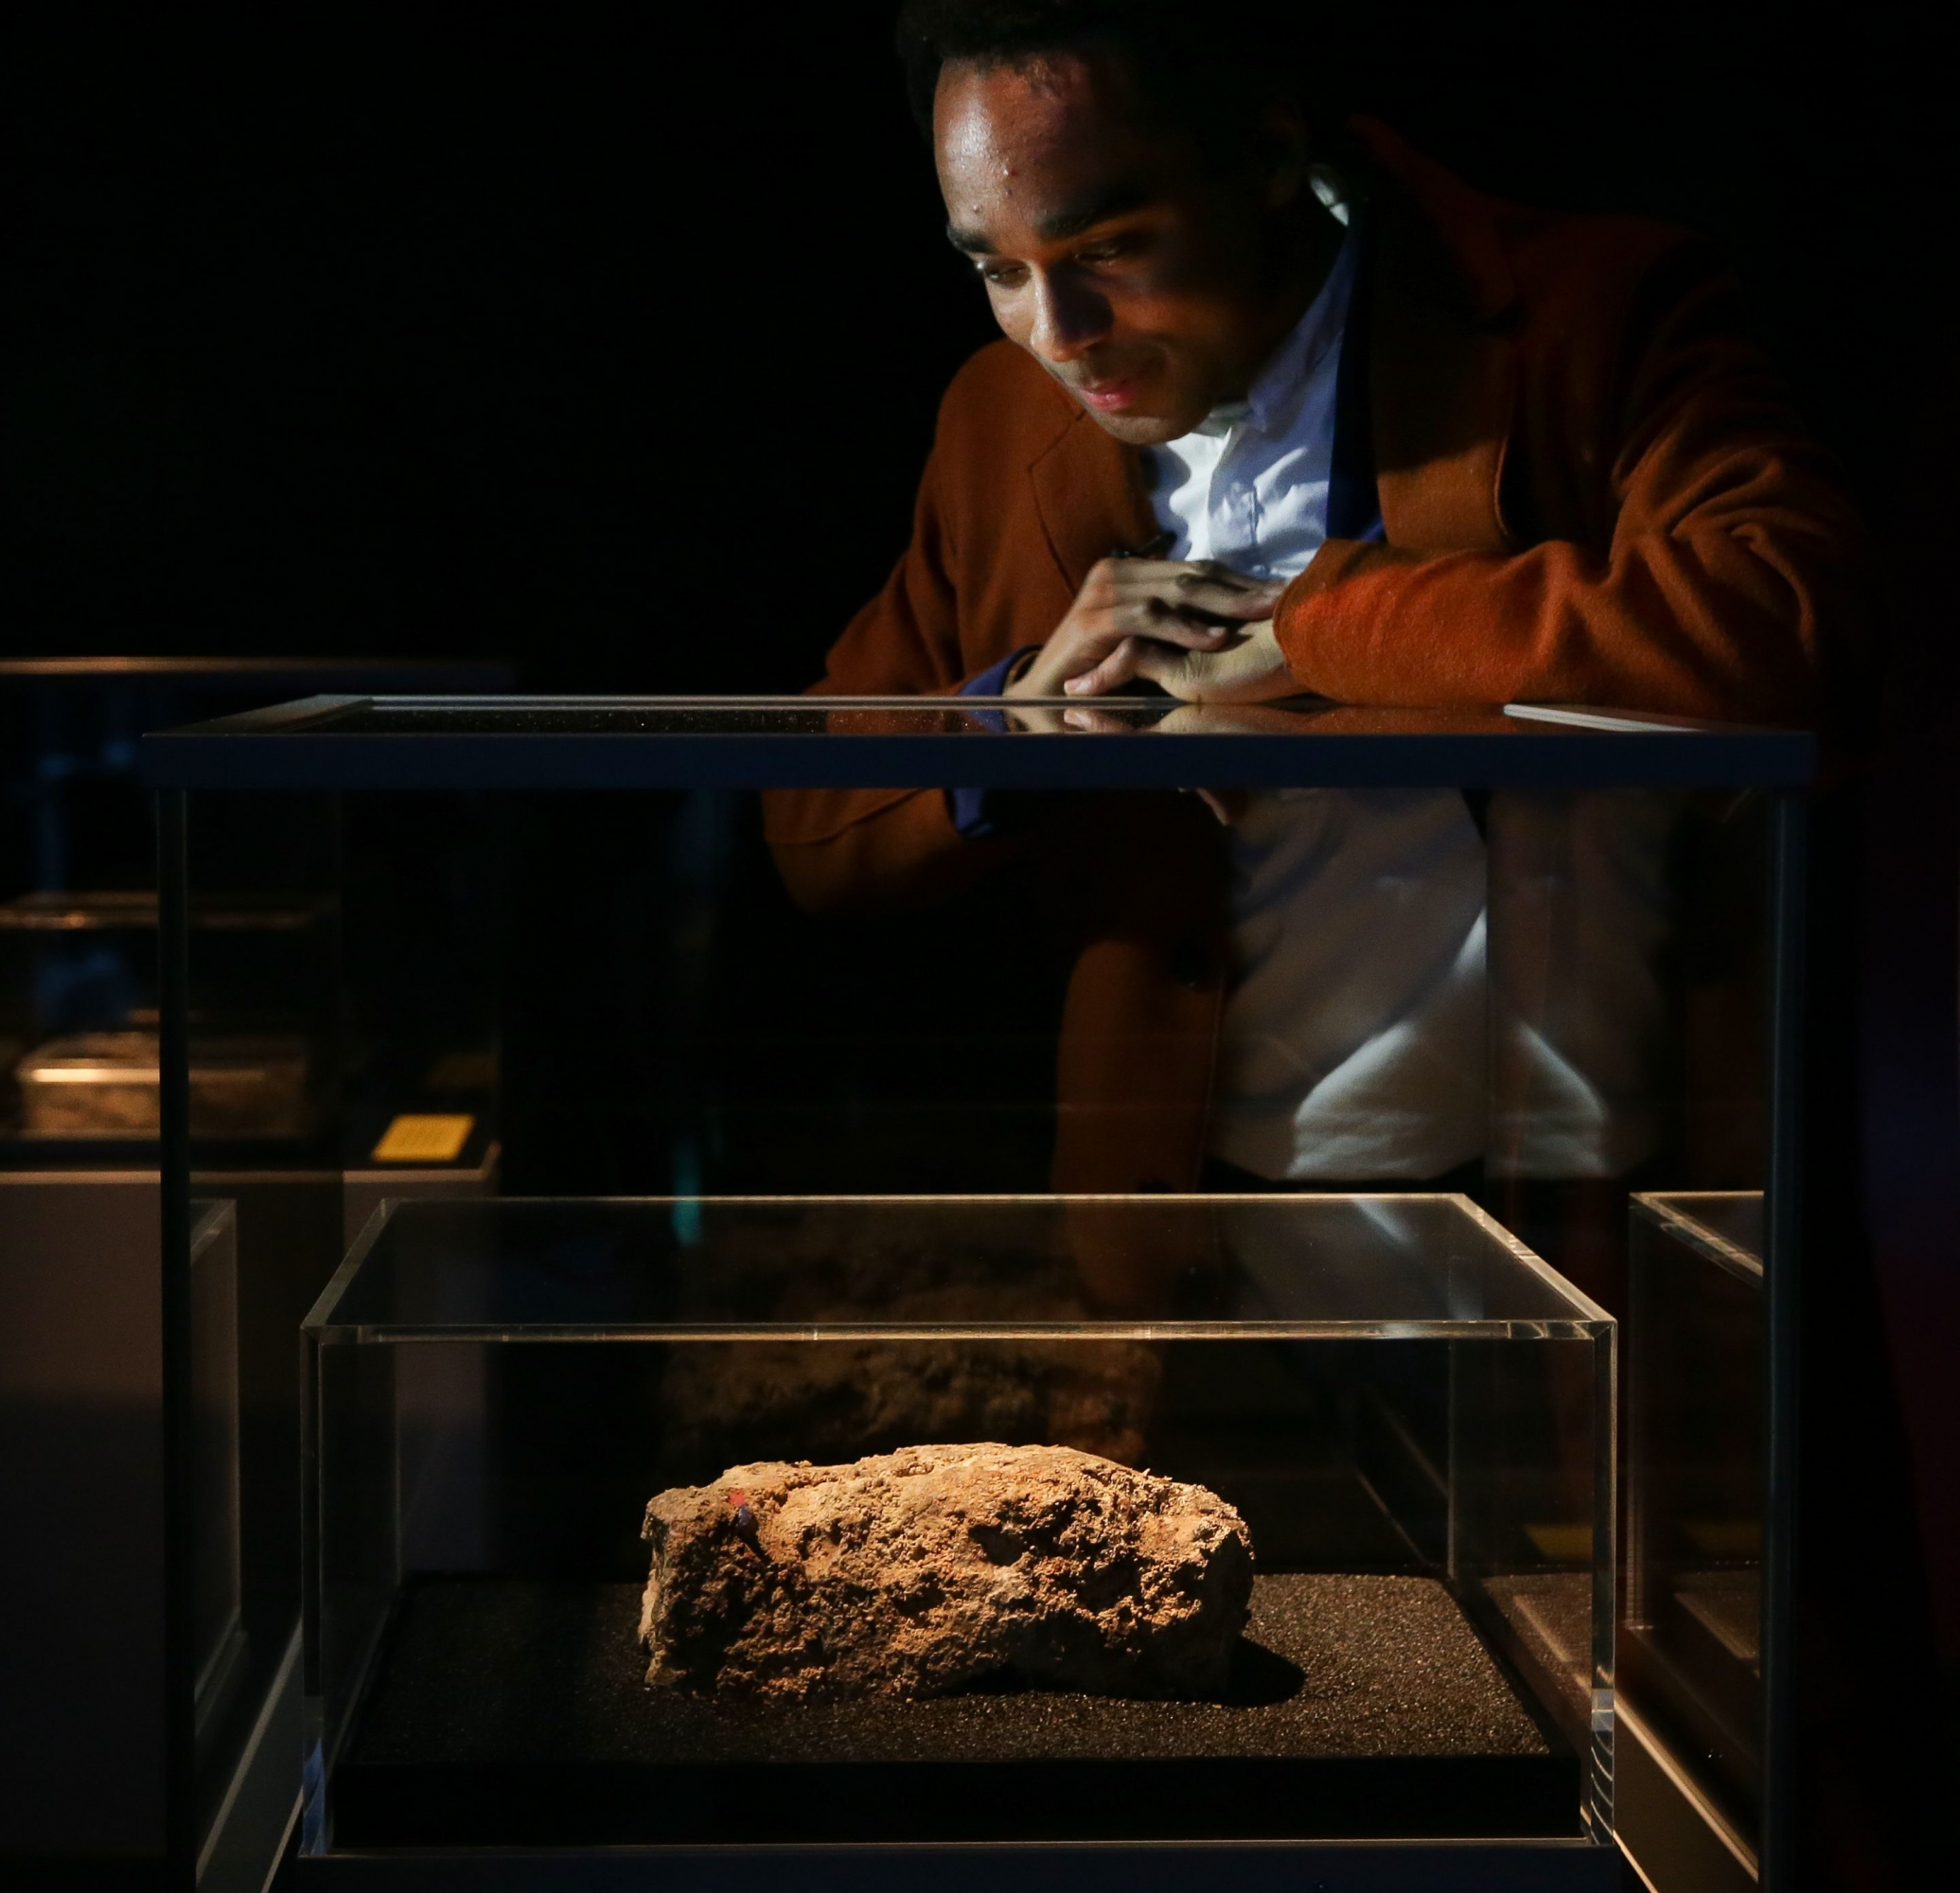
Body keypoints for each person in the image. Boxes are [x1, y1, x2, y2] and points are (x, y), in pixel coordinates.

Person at [766, 0, 1861, 1204]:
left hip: (1568, 1229)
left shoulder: (1587, 313)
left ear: (1273, 159)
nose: (1058, 336)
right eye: (998, 272)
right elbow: (812, 826)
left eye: (1110, 249)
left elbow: (1782, 615)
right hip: (1182, 1241)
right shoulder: (995, 412)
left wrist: (1314, 626)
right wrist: (1015, 719)